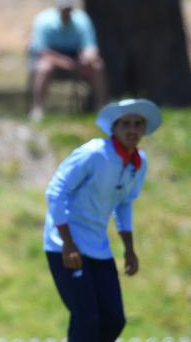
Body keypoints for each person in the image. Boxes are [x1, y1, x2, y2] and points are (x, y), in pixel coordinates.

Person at [43, 98, 162, 341]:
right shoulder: (95, 153)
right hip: (65, 245)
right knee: (86, 317)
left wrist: (129, 248)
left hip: (97, 246)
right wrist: (68, 243)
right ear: (114, 128)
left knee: (113, 319)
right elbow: (56, 192)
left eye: (138, 124)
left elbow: (124, 202)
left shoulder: (138, 163)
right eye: (125, 124)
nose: (132, 130)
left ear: (144, 129)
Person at [28, 0, 108, 121]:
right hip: (51, 57)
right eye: (63, 9)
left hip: (75, 56)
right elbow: (42, 51)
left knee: (97, 65)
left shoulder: (82, 20)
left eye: (69, 9)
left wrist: (87, 57)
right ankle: (37, 108)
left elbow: (90, 46)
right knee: (43, 68)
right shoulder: (43, 21)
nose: (66, 12)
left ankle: (101, 107)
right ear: (57, 8)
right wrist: (64, 63)